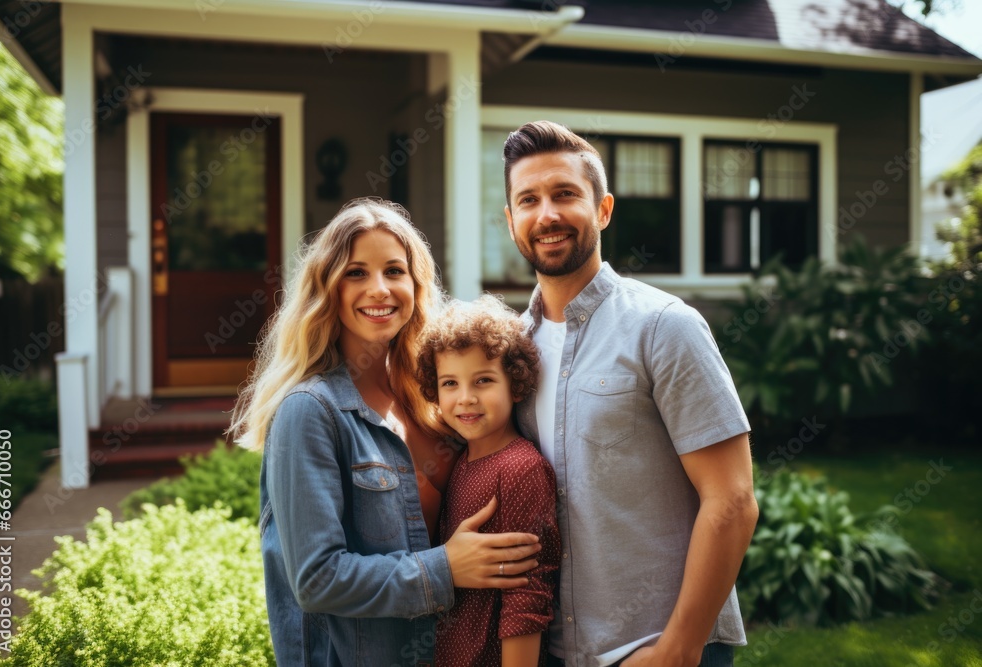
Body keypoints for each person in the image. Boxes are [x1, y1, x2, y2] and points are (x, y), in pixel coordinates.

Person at [230, 198, 543, 666]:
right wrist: (445, 568)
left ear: (415, 285)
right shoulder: (310, 412)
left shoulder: (437, 399)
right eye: (356, 273)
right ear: (327, 288)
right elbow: (317, 579)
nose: (379, 289)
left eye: (394, 271)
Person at [500, 122, 759, 667]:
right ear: (511, 221)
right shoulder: (509, 351)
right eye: (528, 200)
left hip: (655, 645)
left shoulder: (664, 327)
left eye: (565, 194)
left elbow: (732, 501)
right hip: (552, 647)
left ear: (603, 209)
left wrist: (678, 651)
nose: (546, 214)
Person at [415, 295, 561, 667]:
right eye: (450, 383)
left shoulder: (520, 468)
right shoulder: (461, 462)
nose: (466, 398)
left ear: (514, 385)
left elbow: (527, 595)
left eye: (483, 380)